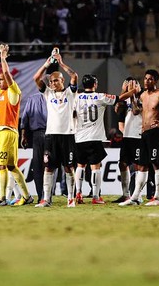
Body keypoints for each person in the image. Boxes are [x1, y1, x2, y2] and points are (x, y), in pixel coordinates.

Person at [120, 69, 159, 206]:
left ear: (156, 81)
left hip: (156, 133)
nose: (147, 81)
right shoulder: (143, 95)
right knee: (141, 165)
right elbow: (136, 111)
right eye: (145, 78)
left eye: (150, 79)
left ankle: (157, 198)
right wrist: (132, 96)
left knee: (157, 163)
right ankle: (135, 197)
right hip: (144, 133)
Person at [0, 44, 34, 206]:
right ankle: (27, 196)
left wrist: (3, 58)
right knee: (11, 166)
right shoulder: (2, 92)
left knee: (2, 165)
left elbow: (6, 73)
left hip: (7, 131)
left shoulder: (14, 91)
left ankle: (2, 198)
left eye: (2, 80)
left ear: (8, 81)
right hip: (3, 132)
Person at [33, 48, 79, 207]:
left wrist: (60, 63)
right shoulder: (48, 94)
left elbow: (74, 76)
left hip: (67, 135)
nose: (52, 83)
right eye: (51, 81)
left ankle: (70, 199)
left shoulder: (70, 93)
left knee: (68, 167)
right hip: (51, 136)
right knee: (49, 168)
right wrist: (46, 64)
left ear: (62, 81)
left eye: (56, 80)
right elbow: (36, 78)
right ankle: (46, 199)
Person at [73, 74, 123, 205]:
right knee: (96, 167)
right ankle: (95, 196)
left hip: (79, 137)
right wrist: (132, 91)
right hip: (94, 137)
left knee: (80, 166)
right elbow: (119, 99)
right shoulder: (101, 97)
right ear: (95, 84)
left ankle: (78, 193)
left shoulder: (76, 97)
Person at [114, 77, 144, 203]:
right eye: (129, 85)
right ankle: (126, 194)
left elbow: (137, 110)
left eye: (135, 84)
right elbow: (117, 110)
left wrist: (132, 95)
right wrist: (123, 91)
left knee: (139, 166)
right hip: (127, 137)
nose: (132, 86)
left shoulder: (144, 97)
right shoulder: (125, 100)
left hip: (139, 136)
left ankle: (138, 195)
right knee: (123, 164)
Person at [20, 91, 47, 203]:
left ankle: (41, 195)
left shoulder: (32, 98)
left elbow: (24, 118)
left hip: (37, 135)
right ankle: (48, 194)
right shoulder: (55, 97)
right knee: (51, 165)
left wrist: (23, 136)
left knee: (37, 167)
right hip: (52, 134)